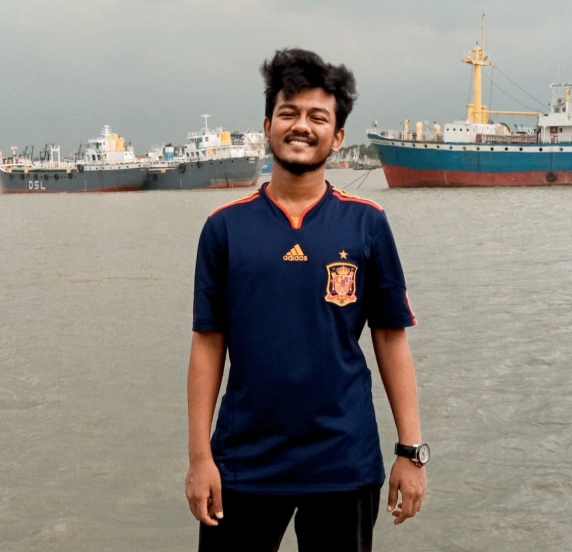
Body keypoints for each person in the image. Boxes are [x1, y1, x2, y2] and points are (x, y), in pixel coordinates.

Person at [186, 48, 428, 552]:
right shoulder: (224, 228)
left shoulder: (367, 223)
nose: (301, 126)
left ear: (337, 136)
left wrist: (410, 451)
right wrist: (199, 458)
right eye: (288, 113)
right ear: (267, 126)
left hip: (343, 461)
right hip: (244, 463)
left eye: (318, 117)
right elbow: (208, 343)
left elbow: (389, 337)